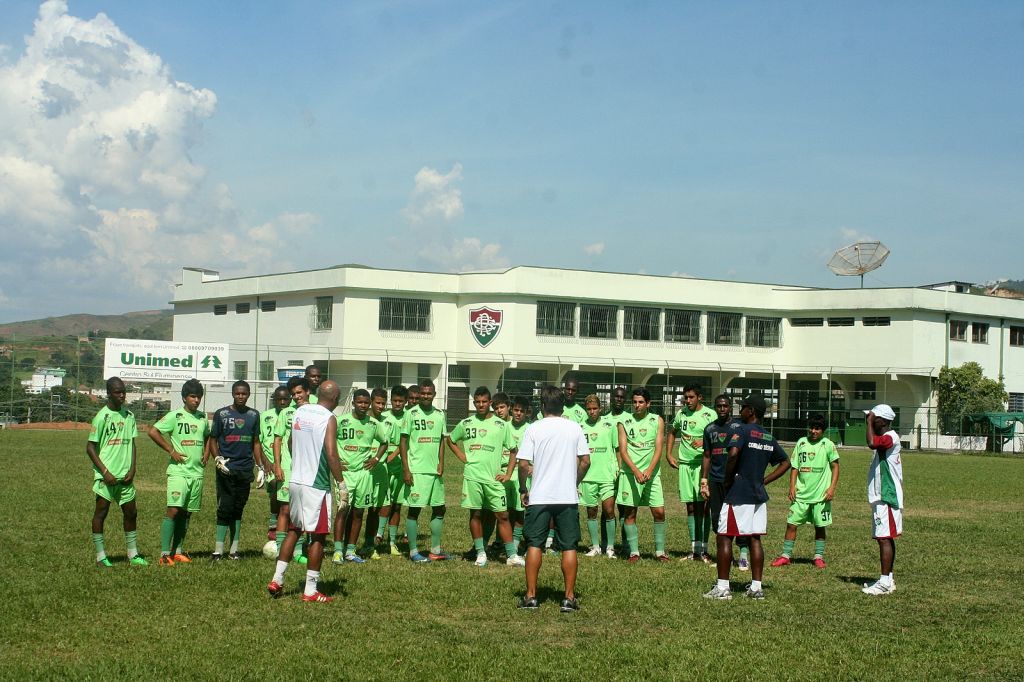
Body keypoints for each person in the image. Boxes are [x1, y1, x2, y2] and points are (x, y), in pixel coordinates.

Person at [704, 394, 790, 600]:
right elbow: (786, 462)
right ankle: (756, 588)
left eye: (742, 407)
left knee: (724, 536)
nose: (739, 411)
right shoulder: (768, 436)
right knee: (755, 539)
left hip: (738, 493)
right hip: (758, 496)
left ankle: (723, 588)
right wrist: (764, 481)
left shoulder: (740, 430)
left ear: (750, 411)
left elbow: (733, 454)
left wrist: (727, 480)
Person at [267, 380, 347, 603]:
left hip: (296, 481)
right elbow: (331, 453)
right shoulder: (329, 418)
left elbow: (292, 442)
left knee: (294, 529)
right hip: (317, 485)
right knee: (318, 536)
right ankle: (310, 590)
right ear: (334, 398)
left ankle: (277, 579)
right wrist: (341, 484)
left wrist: (302, 461)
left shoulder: (300, 411)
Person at [516, 384, 590, 612]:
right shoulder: (574, 427)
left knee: (534, 545)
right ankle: (568, 598)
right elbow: (585, 461)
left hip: (540, 496)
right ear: (562, 405)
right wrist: (574, 482)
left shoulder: (533, 428)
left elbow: (523, 464)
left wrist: (522, 488)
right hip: (567, 497)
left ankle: (530, 596)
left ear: (542, 405)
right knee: (569, 546)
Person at [447, 386, 524, 567]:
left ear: (490, 403)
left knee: (502, 515)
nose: (481, 405)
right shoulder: (466, 423)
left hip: (493, 479)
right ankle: (481, 553)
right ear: (474, 403)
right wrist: (462, 457)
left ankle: (511, 556)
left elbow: (514, 450)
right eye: (477, 402)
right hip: (472, 476)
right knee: (476, 513)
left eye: (484, 402)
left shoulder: (501, 425)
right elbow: (450, 440)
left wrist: (507, 473)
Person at [149, 379, 210, 565]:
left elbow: (209, 437)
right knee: (173, 510)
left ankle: (178, 551)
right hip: (178, 472)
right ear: (184, 398)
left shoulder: (202, 418)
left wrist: (206, 454)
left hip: (196, 472)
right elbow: (153, 432)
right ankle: (164, 554)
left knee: (187, 513)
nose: (196, 400)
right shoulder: (175, 416)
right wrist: (171, 451)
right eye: (193, 396)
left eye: (199, 396)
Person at [87, 377, 147, 567]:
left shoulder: (129, 415)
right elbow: (90, 447)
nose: (122, 395)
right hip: (107, 477)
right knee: (101, 513)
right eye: (117, 391)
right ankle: (101, 557)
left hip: (125, 476)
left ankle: (133, 554)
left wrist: (133, 468)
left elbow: (133, 444)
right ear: (109, 393)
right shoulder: (101, 417)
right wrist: (105, 472)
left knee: (131, 513)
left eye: (123, 391)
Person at [771, 413, 840, 569]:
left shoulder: (828, 444)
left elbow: (836, 467)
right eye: (811, 428)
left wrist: (831, 488)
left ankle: (818, 557)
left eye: (817, 429)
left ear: (823, 430)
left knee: (820, 526)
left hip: (821, 495)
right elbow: (795, 467)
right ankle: (785, 555)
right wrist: (792, 487)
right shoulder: (801, 442)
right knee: (791, 524)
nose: (813, 431)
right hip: (801, 494)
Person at [208, 380, 266, 561]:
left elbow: (256, 442)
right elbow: (213, 440)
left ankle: (234, 551)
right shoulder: (222, 414)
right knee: (224, 508)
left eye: (244, 393)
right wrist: (217, 459)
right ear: (233, 394)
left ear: (249, 394)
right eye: (238, 393)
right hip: (226, 468)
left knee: (238, 509)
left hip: (245, 468)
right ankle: (218, 551)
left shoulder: (254, 415)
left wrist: (260, 466)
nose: (241, 396)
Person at [331, 389, 389, 564]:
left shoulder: (373, 424)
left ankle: (350, 550)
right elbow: (328, 442)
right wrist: (335, 461)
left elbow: (385, 443)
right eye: (359, 402)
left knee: (358, 512)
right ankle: (337, 551)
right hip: (345, 474)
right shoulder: (341, 421)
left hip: (364, 475)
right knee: (342, 511)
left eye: (366, 403)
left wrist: (376, 459)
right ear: (354, 402)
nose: (363, 406)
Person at [399, 379, 450, 562]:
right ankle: (413, 552)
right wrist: (406, 469)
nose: (426, 396)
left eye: (429, 393)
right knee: (415, 511)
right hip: (417, 470)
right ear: (418, 394)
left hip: (435, 471)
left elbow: (442, 441)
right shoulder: (410, 414)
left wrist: (441, 463)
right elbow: (403, 442)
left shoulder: (439, 414)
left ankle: (435, 550)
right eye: (423, 393)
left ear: (434, 395)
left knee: (439, 508)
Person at [667, 385, 717, 562]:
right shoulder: (681, 414)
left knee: (704, 507)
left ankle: (704, 549)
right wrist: (669, 454)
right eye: (685, 397)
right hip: (685, 465)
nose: (687, 401)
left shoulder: (710, 415)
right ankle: (694, 549)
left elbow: (718, 437)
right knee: (690, 507)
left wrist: (703, 443)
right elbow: (672, 432)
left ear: (699, 397)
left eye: (691, 397)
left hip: (703, 466)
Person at [616, 388, 667, 562]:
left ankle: (660, 552)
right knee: (630, 514)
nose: (637, 405)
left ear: (648, 404)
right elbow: (623, 451)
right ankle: (634, 553)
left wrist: (649, 470)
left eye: (641, 402)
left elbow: (659, 448)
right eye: (635, 402)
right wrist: (636, 471)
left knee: (659, 512)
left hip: (651, 474)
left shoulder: (657, 420)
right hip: (631, 474)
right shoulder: (624, 421)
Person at [862, 405, 903, 596]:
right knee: (885, 537)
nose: (869, 420)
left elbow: (871, 442)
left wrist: (869, 423)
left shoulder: (890, 437)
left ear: (883, 421)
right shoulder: (885, 439)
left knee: (884, 538)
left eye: (873, 418)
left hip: (886, 495)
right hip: (881, 495)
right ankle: (888, 578)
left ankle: (885, 582)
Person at [699, 394, 743, 564]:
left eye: (725, 406)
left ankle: (743, 556)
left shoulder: (738, 427)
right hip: (715, 480)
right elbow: (707, 455)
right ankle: (726, 557)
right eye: (719, 406)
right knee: (717, 518)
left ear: (730, 407)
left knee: (737, 517)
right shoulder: (710, 429)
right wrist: (704, 480)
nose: (722, 409)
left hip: (734, 480)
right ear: (715, 408)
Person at [579, 394, 618, 558]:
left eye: (595, 409)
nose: (592, 412)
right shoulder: (580, 427)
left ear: (600, 408)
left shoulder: (610, 426)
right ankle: (595, 546)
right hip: (588, 476)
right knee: (591, 511)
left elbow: (617, 449)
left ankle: (610, 547)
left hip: (606, 475)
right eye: (589, 409)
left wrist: (617, 468)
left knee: (609, 510)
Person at [273, 376, 307, 560]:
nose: (296, 396)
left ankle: (298, 550)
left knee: (302, 511)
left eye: (299, 392)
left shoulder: (313, 412)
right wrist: (278, 466)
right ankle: (280, 549)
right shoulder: (286, 413)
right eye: (293, 394)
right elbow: (277, 439)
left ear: (307, 392)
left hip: (307, 471)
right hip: (288, 468)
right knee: (285, 509)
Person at [381, 385, 409, 555]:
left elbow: (407, 442)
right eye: (395, 400)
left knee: (397, 505)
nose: (397, 404)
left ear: (405, 402)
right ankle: (377, 536)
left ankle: (392, 542)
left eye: (401, 401)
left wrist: (396, 455)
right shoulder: (383, 417)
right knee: (382, 504)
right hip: (383, 466)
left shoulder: (409, 417)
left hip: (400, 466)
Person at [259, 386, 290, 541]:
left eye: (285, 399)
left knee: (285, 496)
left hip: (287, 462)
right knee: (274, 490)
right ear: (275, 400)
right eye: (279, 399)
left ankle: (284, 527)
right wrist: (265, 462)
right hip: (270, 461)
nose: (282, 402)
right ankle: (273, 523)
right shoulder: (265, 416)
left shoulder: (293, 415)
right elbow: (258, 440)